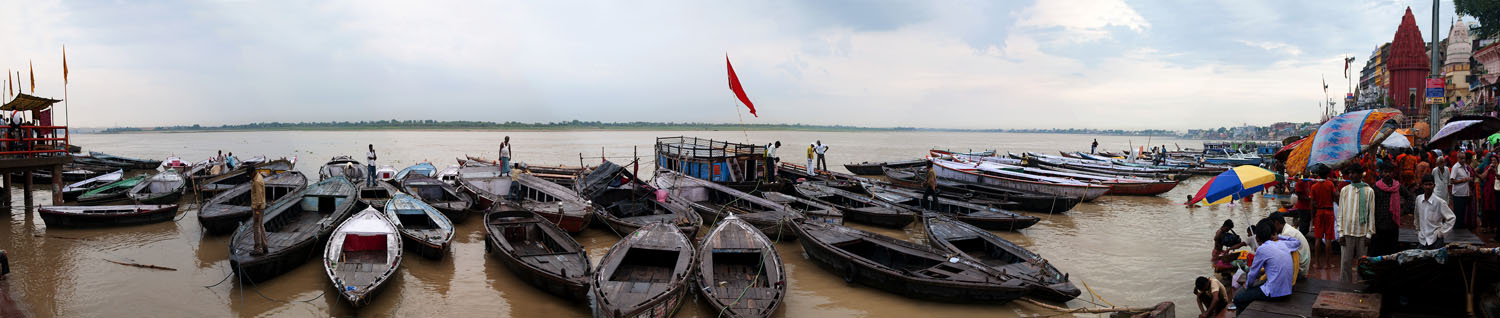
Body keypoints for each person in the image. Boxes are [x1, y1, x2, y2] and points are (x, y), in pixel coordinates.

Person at [1232, 219, 1301, 315]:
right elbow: (1297, 242)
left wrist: (1247, 285)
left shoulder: (1262, 249)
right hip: (1287, 289)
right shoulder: (1282, 243)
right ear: (1273, 234)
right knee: (1258, 284)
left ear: (1257, 238)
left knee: (1238, 297)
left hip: (1274, 293)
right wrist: (1279, 237)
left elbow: (1253, 273)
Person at [1336, 165, 1374, 283]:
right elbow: (1340, 212)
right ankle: (1345, 286)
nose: (1351, 175)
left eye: (1354, 173)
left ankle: (1361, 285)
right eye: (1350, 173)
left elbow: (1371, 214)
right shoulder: (1345, 190)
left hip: (1362, 233)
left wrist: (1369, 234)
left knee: (1362, 263)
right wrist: (1340, 233)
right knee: (1345, 262)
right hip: (1347, 232)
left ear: (1360, 174)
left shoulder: (1369, 191)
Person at [1370, 162, 1403, 256]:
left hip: (1393, 224)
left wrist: (1402, 211)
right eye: (1385, 172)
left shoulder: (1397, 186)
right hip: (1379, 224)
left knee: (1392, 251)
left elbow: (1409, 197)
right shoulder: (1375, 188)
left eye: (1390, 172)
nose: (1387, 174)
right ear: (1381, 173)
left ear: (1393, 173)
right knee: (1379, 250)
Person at [1308, 165, 1337, 270]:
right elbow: (1336, 195)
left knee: (1318, 239)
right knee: (1328, 239)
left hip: (1319, 213)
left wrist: (1312, 218)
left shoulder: (1314, 186)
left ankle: (1317, 263)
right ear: (1327, 174)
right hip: (1329, 212)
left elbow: (1311, 204)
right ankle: (1328, 264)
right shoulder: (1330, 184)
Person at [1417, 174, 1456, 249]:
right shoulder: (1419, 199)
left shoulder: (1440, 202)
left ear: (1434, 185)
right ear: (1422, 186)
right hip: (1423, 239)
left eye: (1430, 184)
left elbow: (1452, 218)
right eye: (1426, 184)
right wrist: (1418, 230)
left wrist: (1441, 233)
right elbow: (1417, 215)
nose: (1428, 187)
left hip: (1436, 239)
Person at [1270, 212, 1311, 280]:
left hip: (1300, 271)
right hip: (1303, 268)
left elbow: (1283, 257)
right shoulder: (1288, 229)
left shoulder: (1287, 233)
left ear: (1276, 223)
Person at [248, 162, 268, 255]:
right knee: (261, 225)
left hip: (258, 208)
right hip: (261, 207)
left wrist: (256, 213)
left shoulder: (257, 181)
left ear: (252, 173)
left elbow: (259, 200)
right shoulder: (259, 176)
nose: (249, 177)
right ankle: (265, 246)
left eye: (249, 174)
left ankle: (258, 248)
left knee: (256, 227)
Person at [1452, 152, 1475, 230]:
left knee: (1462, 213)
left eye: (1464, 158)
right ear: (1458, 159)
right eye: (1461, 158)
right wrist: (1464, 180)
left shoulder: (1465, 167)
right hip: (1458, 193)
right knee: (1458, 213)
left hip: (1465, 193)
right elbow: (1452, 181)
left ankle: (1461, 230)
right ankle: (1457, 230)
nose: (1463, 160)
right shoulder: (1455, 167)